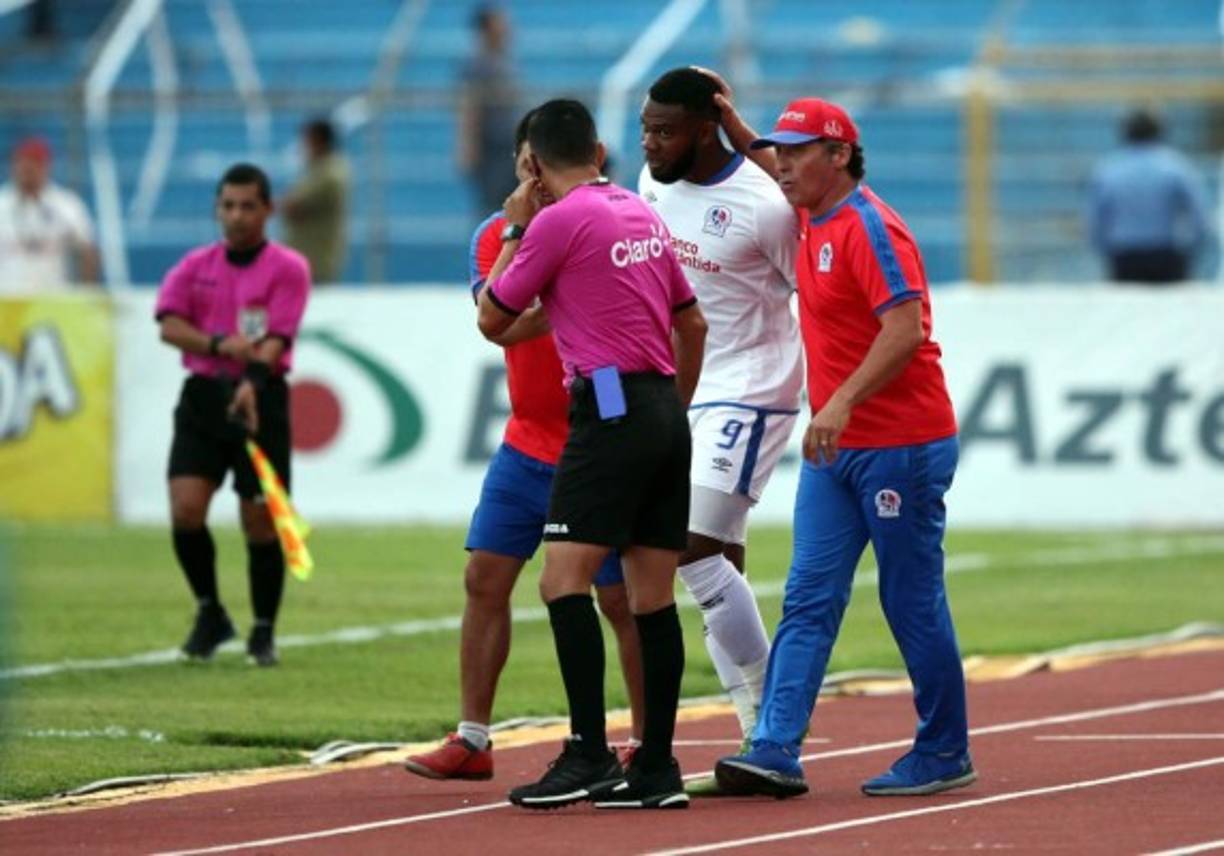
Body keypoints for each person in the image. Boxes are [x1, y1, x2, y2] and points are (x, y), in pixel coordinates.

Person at [705, 90, 975, 798]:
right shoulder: (808, 210)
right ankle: (774, 747)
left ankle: (945, 749)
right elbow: (761, 161)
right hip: (840, 449)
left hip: (900, 444)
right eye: (781, 152)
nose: (783, 165)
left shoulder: (870, 228)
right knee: (808, 594)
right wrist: (732, 125)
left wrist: (843, 400)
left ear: (841, 155)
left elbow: (906, 328)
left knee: (909, 599)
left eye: (799, 153)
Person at [477, 99, 707, 810]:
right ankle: (658, 768)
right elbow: (691, 320)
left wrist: (517, 223)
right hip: (665, 410)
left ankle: (587, 753)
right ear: (600, 153)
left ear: (535, 167)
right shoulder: (639, 213)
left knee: (560, 584)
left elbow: (493, 318)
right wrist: (672, 404)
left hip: (606, 412)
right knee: (651, 598)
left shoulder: (554, 221)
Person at [403, 112, 646, 783]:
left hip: (595, 437)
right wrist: (523, 248)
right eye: (524, 163)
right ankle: (474, 739)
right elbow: (498, 321)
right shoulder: (495, 235)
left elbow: (517, 316)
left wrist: (535, 302)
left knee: (620, 599)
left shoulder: (607, 221)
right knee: (485, 577)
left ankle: (644, 743)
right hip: (528, 439)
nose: (530, 175)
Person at [636, 68, 802, 790]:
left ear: (707, 128)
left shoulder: (764, 204)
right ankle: (754, 741)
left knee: (690, 548)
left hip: (752, 386)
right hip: (687, 385)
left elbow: (818, 293)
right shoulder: (652, 187)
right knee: (718, 562)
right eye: (645, 127)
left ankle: (776, 722)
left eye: (665, 129)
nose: (650, 142)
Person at [154, 163, 311, 668]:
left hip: (260, 400)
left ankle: (262, 630)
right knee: (185, 509)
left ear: (267, 209)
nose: (237, 216)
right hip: (202, 396)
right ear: (217, 209)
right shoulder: (195, 265)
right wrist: (218, 343)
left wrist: (250, 382)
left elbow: (277, 339)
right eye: (228, 205)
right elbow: (168, 324)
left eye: (247, 206)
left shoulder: (288, 268)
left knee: (260, 520)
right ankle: (210, 611)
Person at [1087, 109, 1213, 284]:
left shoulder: (1109, 170)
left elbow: (1096, 220)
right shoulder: (1177, 166)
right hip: (1167, 256)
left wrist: (1106, 253)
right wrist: (1190, 251)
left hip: (1124, 257)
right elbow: (1199, 215)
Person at [0, 137, 99, 293]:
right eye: (22, 162)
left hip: (52, 298)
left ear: (46, 166)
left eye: (34, 163)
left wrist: (86, 292)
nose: (27, 169)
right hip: (7, 298)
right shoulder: (2, 203)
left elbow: (88, 250)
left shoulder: (66, 204)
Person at [456, 4, 520, 215]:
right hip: (491, 154)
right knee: (494, 212)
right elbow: (469, 108)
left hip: (511, 152)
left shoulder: (505, 62)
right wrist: (468, 148)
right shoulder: (477, 65)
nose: (506, 27)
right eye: (500, 22)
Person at [280, 118, 350, 284]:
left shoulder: (330, 173)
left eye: (307, 140)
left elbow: (292, 206)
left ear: (319, 140)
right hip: (306, 258)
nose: (303, 146)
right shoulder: (316, 169)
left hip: (316, 259)